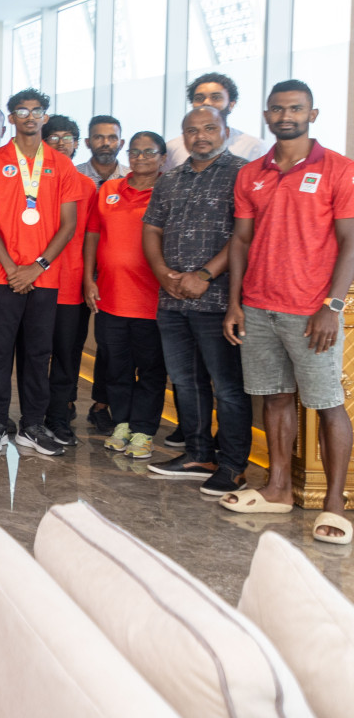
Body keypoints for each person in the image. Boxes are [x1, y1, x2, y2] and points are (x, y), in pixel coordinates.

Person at [222, 80, 354, 545]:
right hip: (258, 306)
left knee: (327, 404)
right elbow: (240, 240)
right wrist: (236, 302)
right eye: (277, 109)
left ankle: (334, 505)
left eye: (296, 109)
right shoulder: (251, 173)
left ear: (312, 114)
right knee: (274, 397)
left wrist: (332, 306)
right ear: (266, 114)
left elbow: (350, 241)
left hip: (311, 310)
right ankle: (278, 488)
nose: (286, 116)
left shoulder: (338, 169)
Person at [141, 106, 250, 493]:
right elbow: (152, 229)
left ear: (225, 130)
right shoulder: (170, 179)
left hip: (219, 299)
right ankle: (199, 454)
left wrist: (204, 274)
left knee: (227, 387)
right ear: (183, 136)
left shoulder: (243, 174)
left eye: (209, 128)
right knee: (186, 383)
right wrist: (161, 273)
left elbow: (244, 234)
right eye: (191, 130)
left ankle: (233, 465)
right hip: (172, 300)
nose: (200, 136)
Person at [0, 88, 84, 457]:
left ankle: (32, 425)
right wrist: (10, 267)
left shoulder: (61, 164)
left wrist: (36, 267)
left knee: (38, 353)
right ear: (13, 118)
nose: (30, 117)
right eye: (22, 111)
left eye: (37, 111)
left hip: (43, 277)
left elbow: (68, 225)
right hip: (3, 275)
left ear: (45, 117)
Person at [84, 131, 167, 459]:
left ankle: (144, 430)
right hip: (111, 297)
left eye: (149, 152)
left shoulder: (168, 191)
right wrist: (90, 279)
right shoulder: (110, 189)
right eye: (135, 151)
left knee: (150, 369)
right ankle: (121, 423)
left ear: (162, 157)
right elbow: (92, 234)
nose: (141, 157)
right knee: (116, 366)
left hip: (153, 301)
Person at [42, 113, 98, 445]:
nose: (62, 143)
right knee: (34, 355)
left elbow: (91, 236)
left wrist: (90, 278)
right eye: (55, 137)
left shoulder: (87, 185)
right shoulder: (33, 182)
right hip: (35, 282)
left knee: (67, 356)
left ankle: (59, 417)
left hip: (71, 283)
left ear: (78, 144)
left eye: (69, 137)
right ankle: (33, 415)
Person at [162, 72, 270, 172]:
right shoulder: (172, 147)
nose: (207, 102)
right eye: (199, 98)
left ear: (231, 104)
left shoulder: (254, 146)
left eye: (216, 97)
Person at [77, 115, 129, 185]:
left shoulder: (133, 177)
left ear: (121, 144)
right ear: (87, 142)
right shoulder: (73, 175)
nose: (106, 143)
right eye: (98, 137)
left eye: (112, 138)